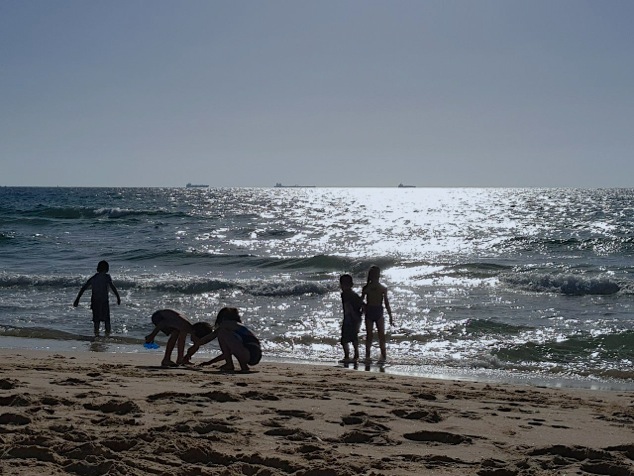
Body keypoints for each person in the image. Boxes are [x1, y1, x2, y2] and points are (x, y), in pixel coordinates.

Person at [183, 307, 261, 373]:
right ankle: (234, 365)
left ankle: (237, 366)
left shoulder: (226, 325)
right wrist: (210, 362)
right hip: (255, 354)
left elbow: (210, 337)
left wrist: (196, 345)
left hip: (249, 352)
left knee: (221, 333)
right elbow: (228, 353)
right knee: (222, 333)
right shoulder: (235, 329)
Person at [73, 260, 121, 337]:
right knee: (107, 320)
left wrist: (77, 299)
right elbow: (113, 287)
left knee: (96, 321)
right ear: (107, 269)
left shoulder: (93, 278)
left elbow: (83, 288)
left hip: (95, 302)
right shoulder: (107, 277)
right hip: (104, 302)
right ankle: (107, 335)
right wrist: (118, 297)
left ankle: (96, 335)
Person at [361, 265, 394, 363]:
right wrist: (363, 308)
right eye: (374, 275)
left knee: (381, 335)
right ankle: (367, 356)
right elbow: (361, 301)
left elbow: (386, 303)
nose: (375, 277)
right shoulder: (366, 288)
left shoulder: (382, 288)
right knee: (369, 335)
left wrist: (390, 316)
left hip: (378, 311)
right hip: (370, 311)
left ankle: (383, 356)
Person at [339, 274, 363, 363]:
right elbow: (362, 304)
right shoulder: (354, 295)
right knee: (353, 337)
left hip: (351, 318)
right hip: (354, 318)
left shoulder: (345, 294)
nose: (343, 287)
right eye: (342, 284)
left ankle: (348, 356)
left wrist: (353, 315)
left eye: (345, 284)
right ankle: (354, 355)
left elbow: (348, 306)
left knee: (346, 338)